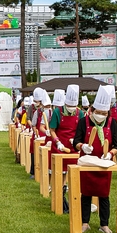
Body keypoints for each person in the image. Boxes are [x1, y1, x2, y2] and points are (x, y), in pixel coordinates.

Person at [73, 85, 117, 233]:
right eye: (98, 112)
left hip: (103, 164)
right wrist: (83, 147)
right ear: (92, 111)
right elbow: (76, 142)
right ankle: (84, 222)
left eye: (104, 113)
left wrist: (110, 154)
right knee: (86, 194)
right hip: (87, 163)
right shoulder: (83, 122)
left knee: (104, 194)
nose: (101, 115)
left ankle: (104, 224)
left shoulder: (112, 123)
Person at [49, 85, 84, 213]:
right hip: (60, 147)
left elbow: (81, 130)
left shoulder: (80, 113)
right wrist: (57, 142)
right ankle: (59, 200)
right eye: (69, 106)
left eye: (73, 107)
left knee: (74, 174)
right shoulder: (58, 112)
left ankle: (74, 201)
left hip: (73, 147)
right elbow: (52, 130)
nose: (71, 109)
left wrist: (76, 140)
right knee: (60, 175)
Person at [29, 88, 47, 178]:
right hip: (37, 135)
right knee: (34, 152)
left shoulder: (48, 111)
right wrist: (36, 132)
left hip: (46, 135)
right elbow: (33, 124)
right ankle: (33, 171)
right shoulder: (37, 112)